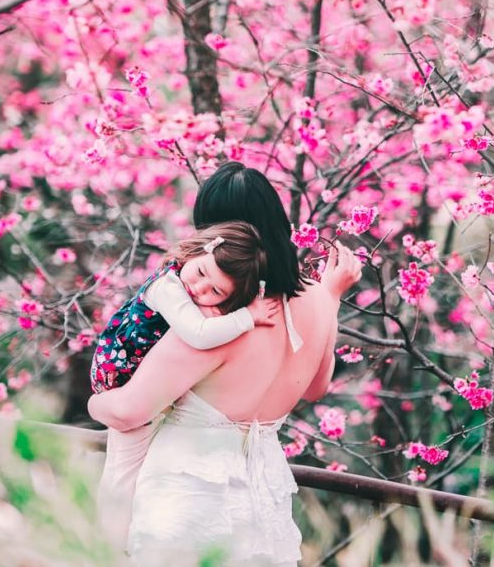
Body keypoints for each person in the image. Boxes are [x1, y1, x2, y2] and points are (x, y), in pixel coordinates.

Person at [88, 163, 363, 565]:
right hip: (261, 506)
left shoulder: (215, 318)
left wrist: (96, 402)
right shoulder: (320, 300)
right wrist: (332, 297)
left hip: (187, 501)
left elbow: (129, 411)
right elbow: (316, 388)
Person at [90, 220, 275, 552]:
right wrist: (247, 318)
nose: (200, 289)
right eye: (201, 272)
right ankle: (108, 546)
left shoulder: (183, 282)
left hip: (136, 374)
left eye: (216, 292)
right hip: (119, 374)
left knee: (135, 465)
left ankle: (118, 541)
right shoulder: (166, 287)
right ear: (195, 250)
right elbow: (199, 334)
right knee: (124, 468)